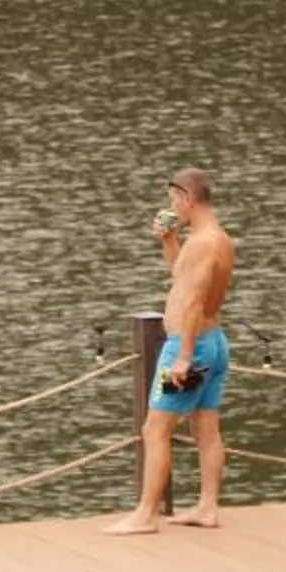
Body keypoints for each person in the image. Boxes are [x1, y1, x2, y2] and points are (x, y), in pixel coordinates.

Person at [110, 166, 238, 534]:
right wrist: (168, 241)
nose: (172, 208)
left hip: (191, 346)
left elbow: (195, 302)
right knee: (207, 428)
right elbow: (183, 280)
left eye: (173, 201)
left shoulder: (202, 243)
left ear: (186, 197)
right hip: (213, 343)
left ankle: (146, 513)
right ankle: (207, 507)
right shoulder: (217, 239)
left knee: (155, 430)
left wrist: (182, 356)